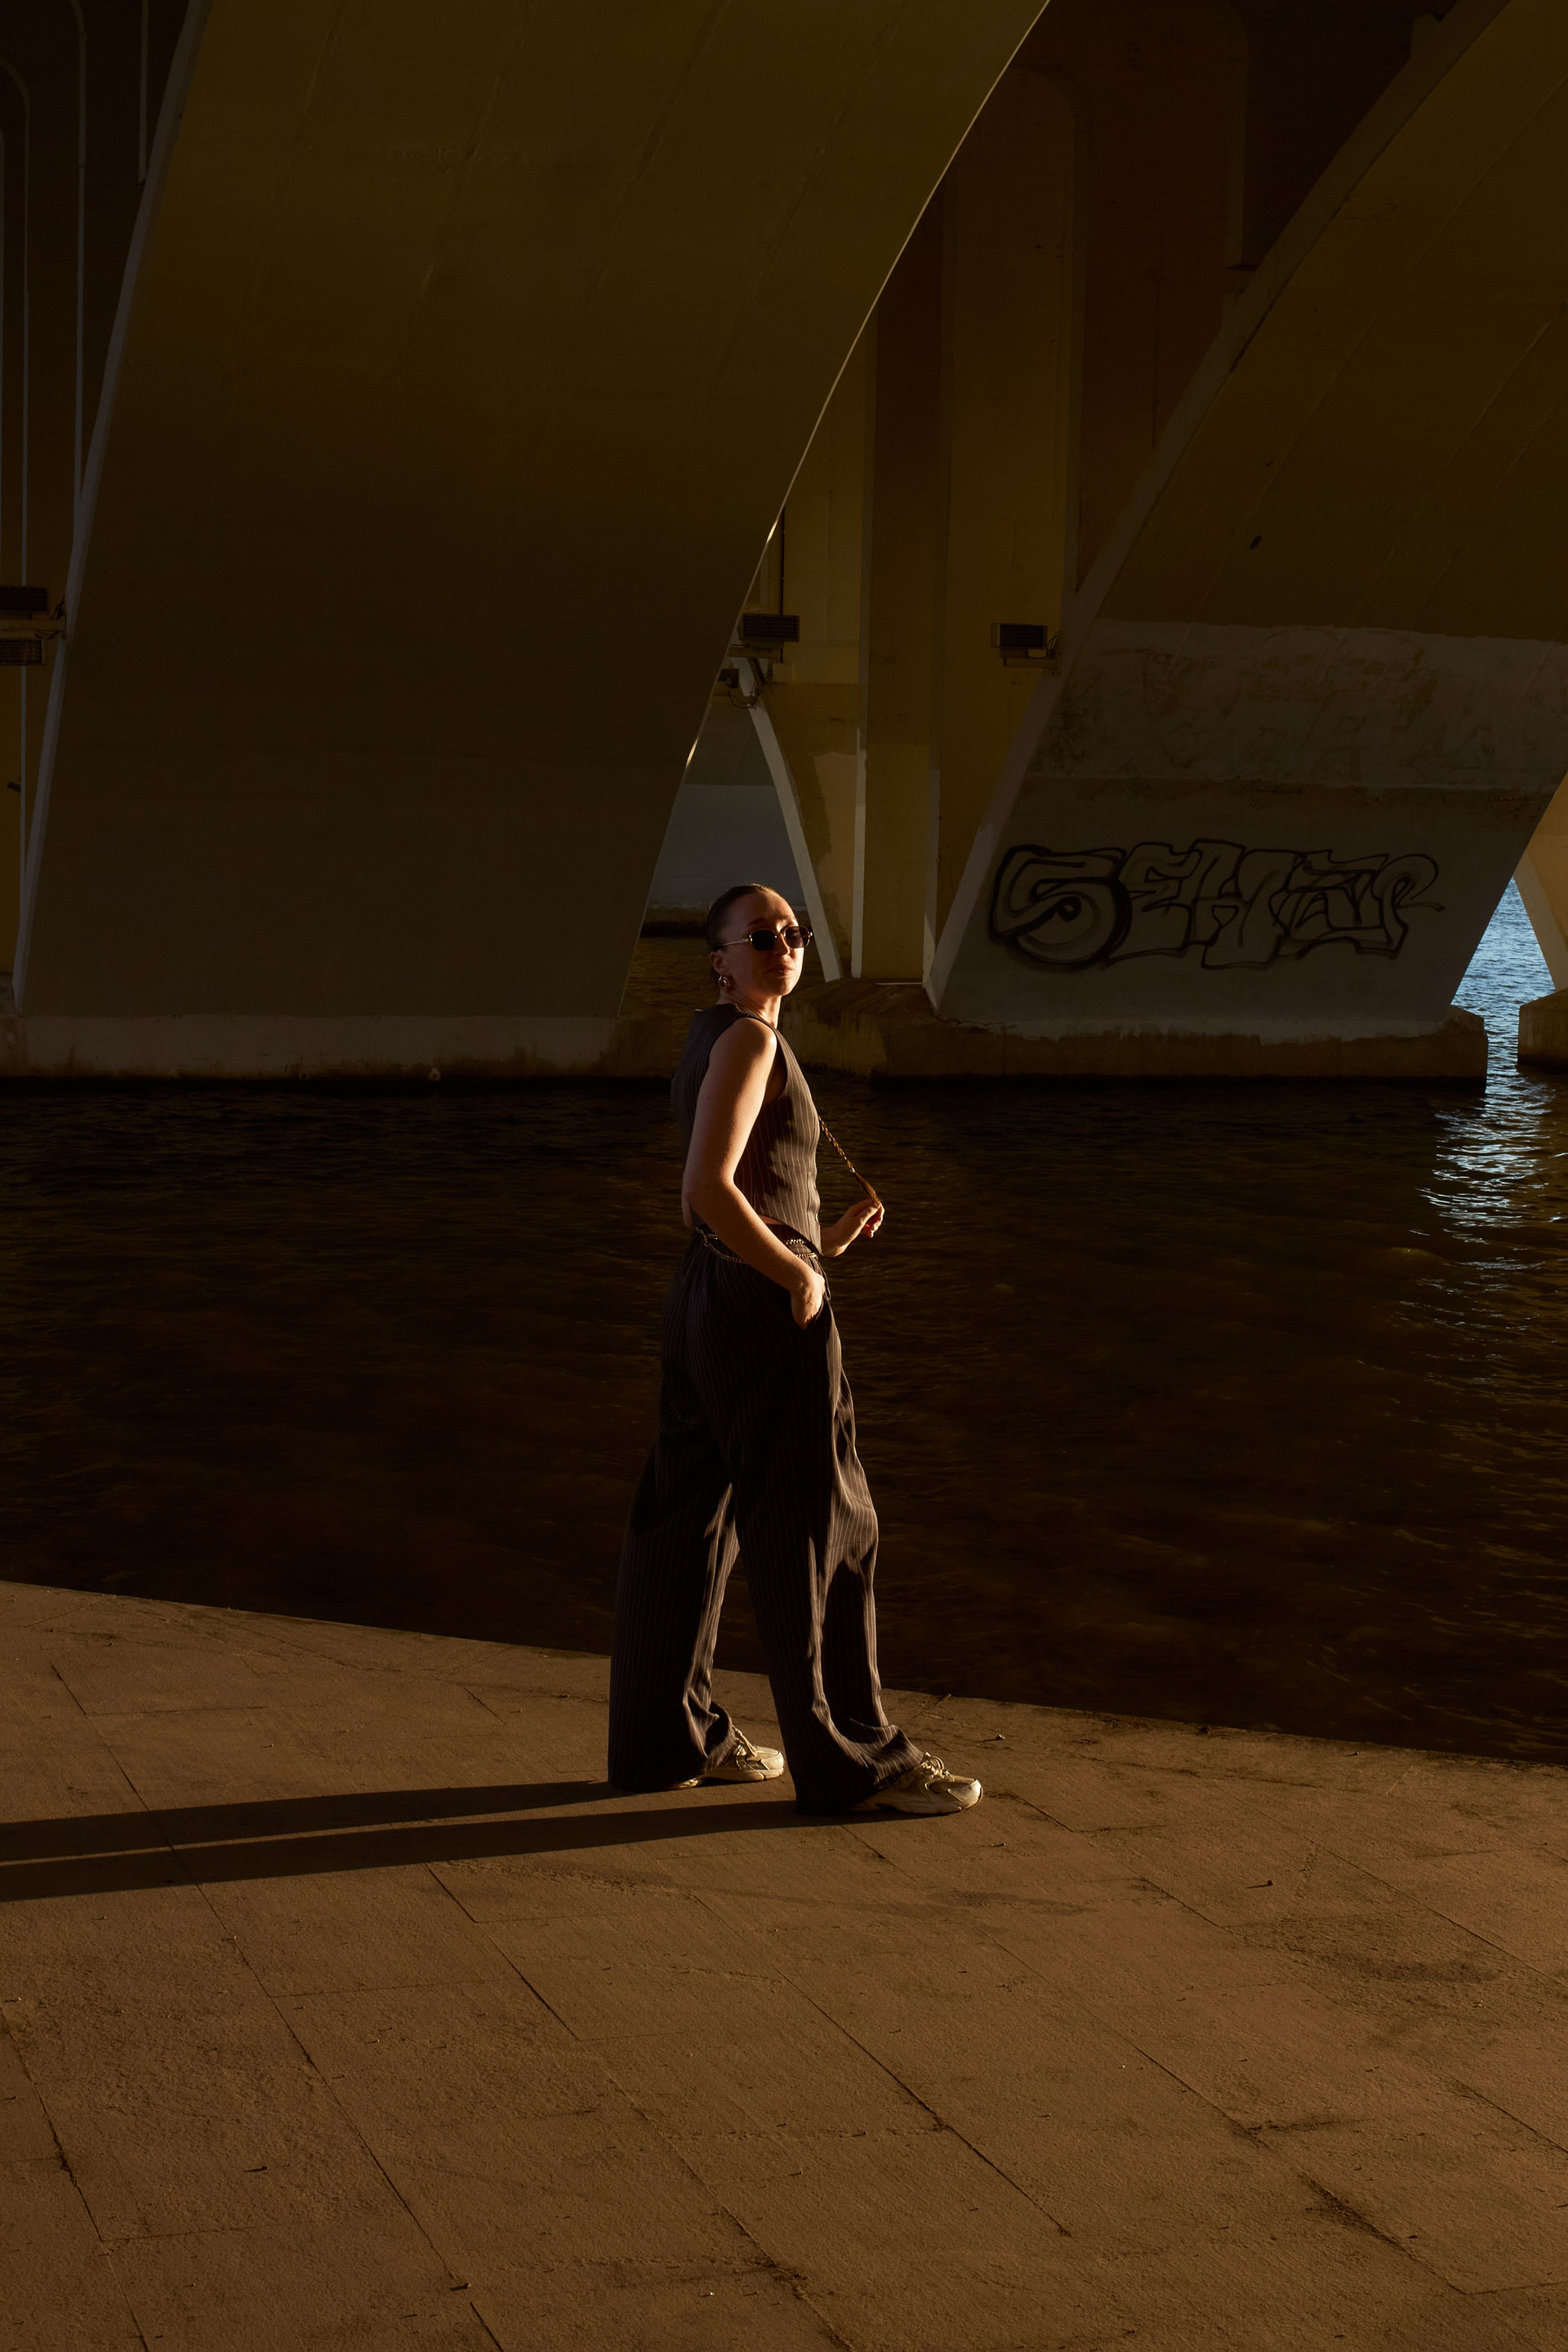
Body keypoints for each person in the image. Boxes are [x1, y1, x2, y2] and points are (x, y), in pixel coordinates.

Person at [608, 880, 982, 1816]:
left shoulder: (708, 1036)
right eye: (763, 937)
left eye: (795, 933)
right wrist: (798, 1278)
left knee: (686, 1519)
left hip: (706, 1299)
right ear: (720, 961)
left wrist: (824, 1242)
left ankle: (664, 1740)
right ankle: (855, 1761)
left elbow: (735, 1192)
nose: (786, 946)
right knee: (824, 1527)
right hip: (759, 1304)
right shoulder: (750, 1040)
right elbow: (705, 1190)